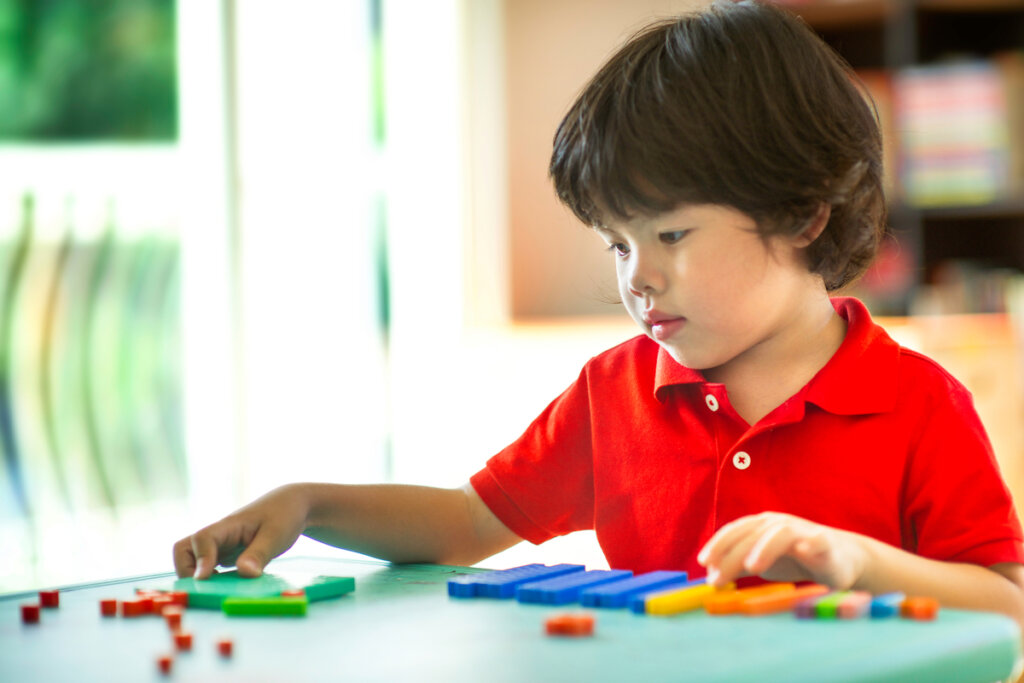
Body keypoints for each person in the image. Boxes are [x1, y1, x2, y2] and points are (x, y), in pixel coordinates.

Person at [173, 0, 1024, 631]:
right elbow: (467, 522)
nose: (639, 276)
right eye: (618, 245)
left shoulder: (917, 403)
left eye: (672, 233)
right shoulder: (615, 394)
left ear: (805, 212)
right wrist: (311, 502)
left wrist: (860, 563)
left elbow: (1006, 605)